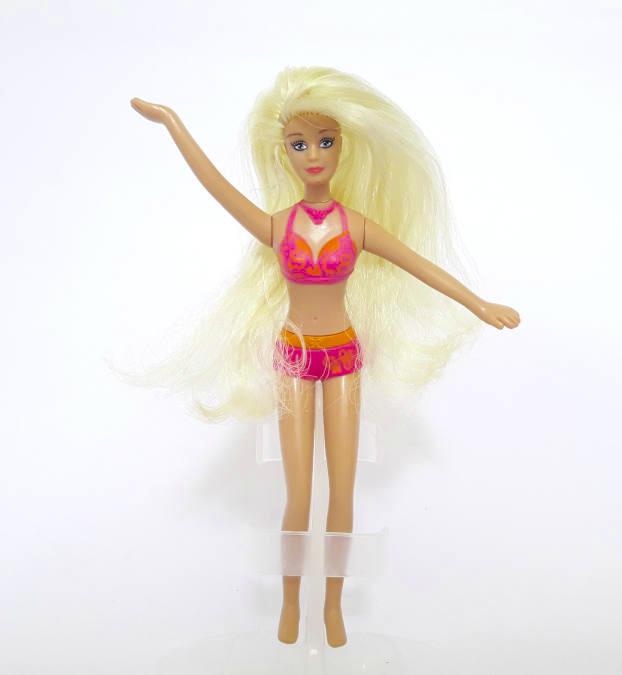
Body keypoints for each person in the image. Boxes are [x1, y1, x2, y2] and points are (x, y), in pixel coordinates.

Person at [121, 65, 521, 648]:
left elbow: (421, 266)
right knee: (299, 494)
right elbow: (214, 183)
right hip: (293, 357)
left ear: (344, 146)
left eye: (325, 141)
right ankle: (290, 602)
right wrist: (173, 123)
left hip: (343, 359)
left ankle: (332, 606)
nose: (313, 155)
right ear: (282, 152)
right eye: (299, 144)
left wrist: (478, 303)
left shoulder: (357, 226)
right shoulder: (276, 225)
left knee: (342, 491)